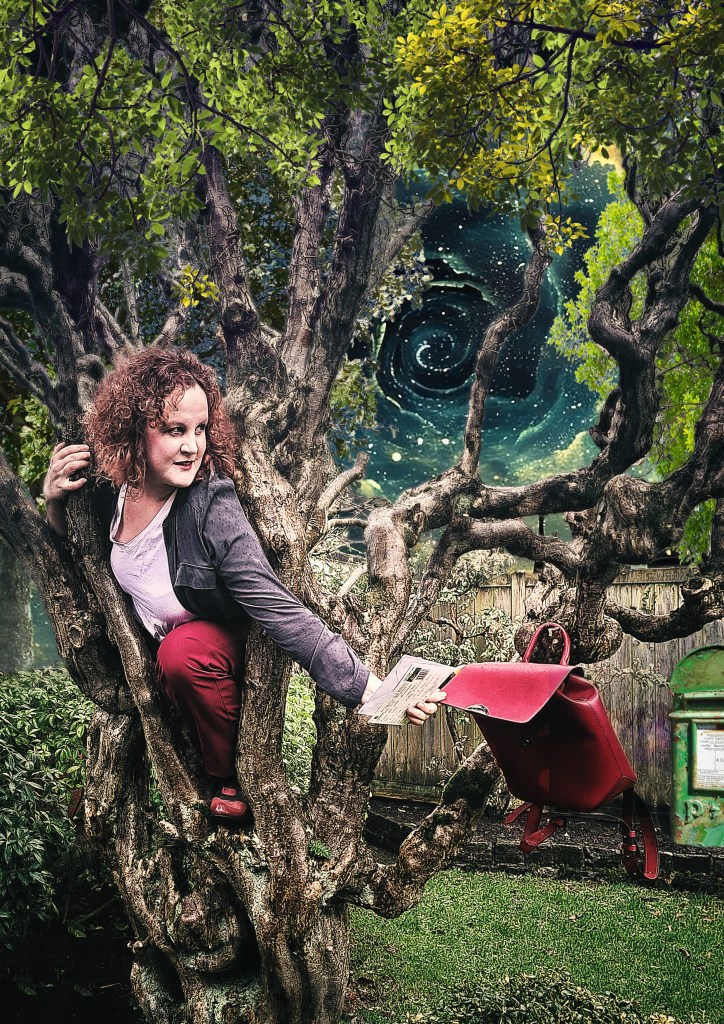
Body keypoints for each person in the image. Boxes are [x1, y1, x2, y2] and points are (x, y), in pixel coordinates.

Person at [43, 346, 445, 822]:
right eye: (175, 430)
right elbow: (77, 550)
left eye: (200, 429)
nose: (192, 446)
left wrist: (369, 689)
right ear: (134, 431)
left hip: (216, 643)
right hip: (152, 651)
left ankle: (225, 778)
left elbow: (275, 603)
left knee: (182, 654)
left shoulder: (211, 504)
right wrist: (53, 500)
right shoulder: (113, 489)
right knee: (172, 657)